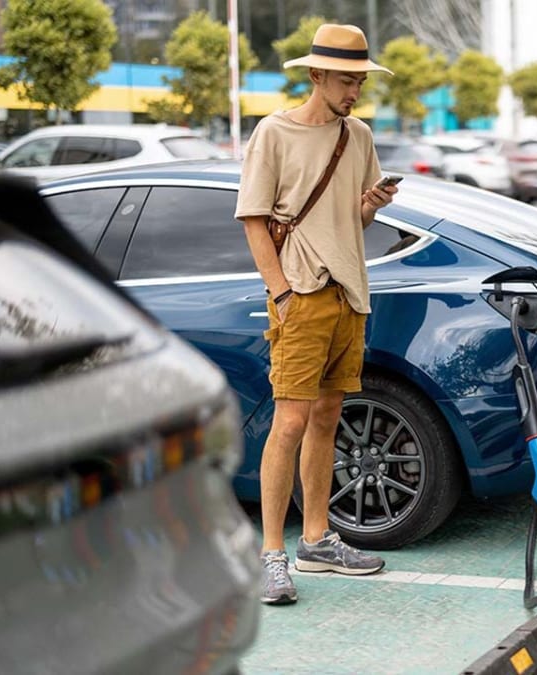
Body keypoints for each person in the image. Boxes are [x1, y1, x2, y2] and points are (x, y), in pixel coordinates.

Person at [235, 23, 398, 606]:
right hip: (300, 294)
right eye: (347, 80)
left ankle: (317, 540)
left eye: (360, 80)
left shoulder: (359, 136)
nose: (355, 91)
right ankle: (270, 555)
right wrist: (280, 291)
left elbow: (349, 220)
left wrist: (371, 205)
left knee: (329, 418)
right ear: (316, 76)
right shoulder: (273, 133)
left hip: (350, 294)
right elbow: (255, 218)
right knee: (289, 423)